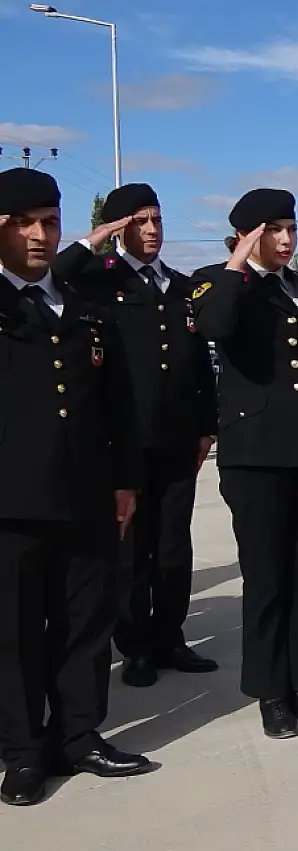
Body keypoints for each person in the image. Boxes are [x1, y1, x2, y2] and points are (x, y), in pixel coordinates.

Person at [0, 169, 150, 806]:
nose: (40, 235)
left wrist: (124, 482)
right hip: (11, 502)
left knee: (85, 622)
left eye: (50, 222)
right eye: (25, 223)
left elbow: (118, 403)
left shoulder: (86, 308)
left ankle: (79, 734)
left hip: (88, 494)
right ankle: (22, 751)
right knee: (13, 634)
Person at [191, 188, 298, 741]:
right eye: (271, 231)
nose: (285, 241)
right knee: (266, 577)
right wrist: (240, 263)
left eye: (291, 229)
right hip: (255, 455)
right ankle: (270, 692)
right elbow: (212, 327)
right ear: (246, 235)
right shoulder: (218, 281)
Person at [55, 182, 219, 689]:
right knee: (131, 551)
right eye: (140, 222)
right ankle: (136, 645)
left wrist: (206, 426)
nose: (152, 231)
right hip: (126, 441)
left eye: (157, 221)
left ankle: (171, 636)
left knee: (174, 547)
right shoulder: (99, 280)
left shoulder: (180, 285)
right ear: (122, 227)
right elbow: (54, 275)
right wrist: (95, 239)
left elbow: (198, 366)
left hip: (177, 438)